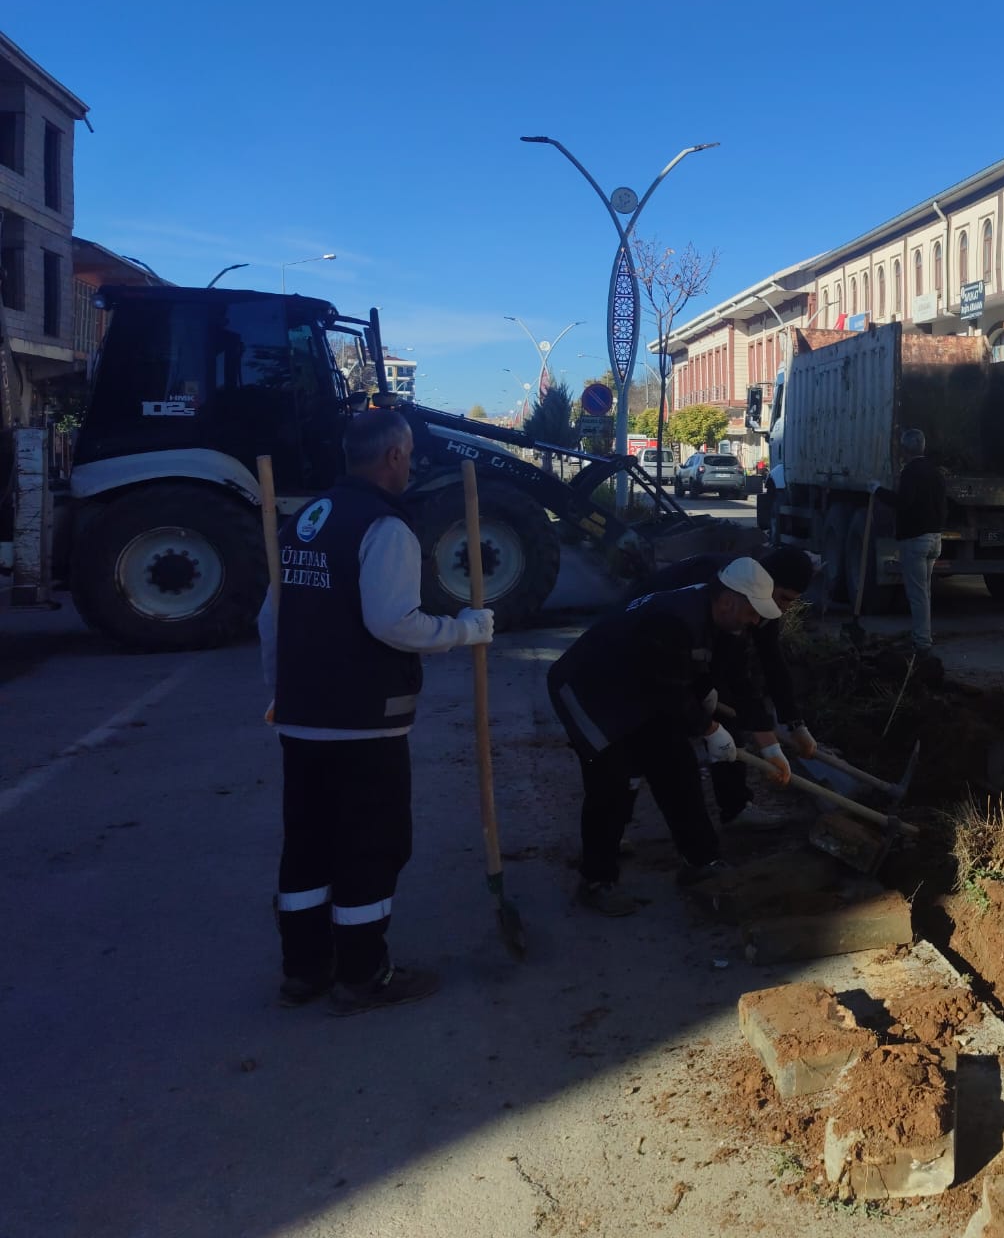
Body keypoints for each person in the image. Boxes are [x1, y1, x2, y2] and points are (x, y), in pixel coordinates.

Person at [261, 409, 495, 1014]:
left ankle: (304, 969)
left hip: (302, 715)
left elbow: (272, 617)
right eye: (409, 453)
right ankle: (363, 975)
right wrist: (465, 629)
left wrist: (279, 691)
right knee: (371, 843)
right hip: (363, 720)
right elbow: (393, 622)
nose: (411, 463)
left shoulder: (306, 520)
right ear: (393, 456)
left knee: (307, 843)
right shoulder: (385, 526)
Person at [546, 558, 790, 916]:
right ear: (728, 602)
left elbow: (740, 684)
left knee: (678, 768)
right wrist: (709, 730)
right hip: (591, 690)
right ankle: (597, 880)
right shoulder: (673, 619)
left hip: (641, 688)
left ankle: (701, 861)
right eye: (753, 613)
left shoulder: (728, 626)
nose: (756, 622)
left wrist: (771, 747)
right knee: (614, 782)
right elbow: (668, 693)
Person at [630, 544, 821, 822]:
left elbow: (771, 661)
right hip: (643, 645)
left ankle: (735, 808)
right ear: (766, 581)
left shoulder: (762, 604)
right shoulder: (722, 586)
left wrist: (794, 724)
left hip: (684, 650)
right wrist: (762, 741)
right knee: (646, 737)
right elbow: (726, 669)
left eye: (790, 602)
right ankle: (618, 822)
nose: (781, 609)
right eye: (782, 598)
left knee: (721, 715)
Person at [873, 427, 946, 661]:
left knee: (917, 594)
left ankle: (922, 643)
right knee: (924, 592)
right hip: (935, 539)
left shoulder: (910, 472)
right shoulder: (936, 472)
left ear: (905, 450)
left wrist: (878, 491)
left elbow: (903, 502)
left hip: (915, 540)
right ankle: (922, 635)